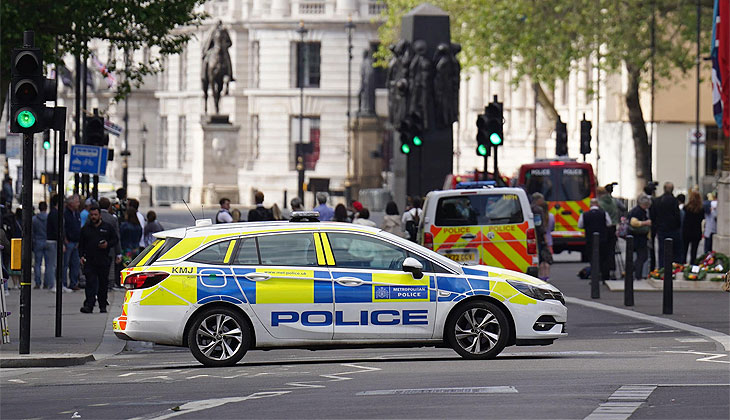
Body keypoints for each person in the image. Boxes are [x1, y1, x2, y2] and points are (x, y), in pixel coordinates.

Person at [79, 205, 118, 313]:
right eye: (92, 215)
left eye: (95, 215)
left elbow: (115, 239)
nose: (93, 217)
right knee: (90, 283)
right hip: (90, 260)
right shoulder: (86, 229)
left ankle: (102, 304)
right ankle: (89, 305)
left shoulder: (107, 227)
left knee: (103, 284)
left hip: (103, 260)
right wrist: (81, 256)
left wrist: (107, 244)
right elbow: (81, 244)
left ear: (100, 215)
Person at [578, 198, 611, 280]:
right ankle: (603, 275)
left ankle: (594, 275)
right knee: (602, 257)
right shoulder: (604, 213)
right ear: (598, 205)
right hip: (602, 239)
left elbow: (580, 225)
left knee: (592, 257)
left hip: (590, 239)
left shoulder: (584, 214)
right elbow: (609, 223)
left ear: (590, 205)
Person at [651, 182, 682, 266]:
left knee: (662, 251)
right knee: (675, 252)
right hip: (673, 229)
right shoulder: (674, 201)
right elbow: (677, 216)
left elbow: (653, 216)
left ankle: (662, 268)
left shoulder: (657, 201)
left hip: (661, 229)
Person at [99, 197, 123, 289]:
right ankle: (110, 284)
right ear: (109, 206)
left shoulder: (95, 216)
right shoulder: (112, 219)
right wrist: (119, 252)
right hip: (110, 247)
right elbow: (116, 236)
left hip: (96, 248)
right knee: (110, 268)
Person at [628, 194, 652, 280]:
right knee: (642, 256)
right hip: (639, 237)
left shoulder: (636, 210)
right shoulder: (638, 211)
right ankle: (635, 272)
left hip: (637, 237)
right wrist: (645, 223)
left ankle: (631, 270)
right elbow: (633, 222)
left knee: (641, 256)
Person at [597, 186, 619, 278]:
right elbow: (623, 208)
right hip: (613, 227)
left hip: (604, 228)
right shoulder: (614, 201)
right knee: (612, 250)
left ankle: (604, 272)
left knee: (603, 251)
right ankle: (612, 269)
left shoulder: (600, 203)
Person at [32, 201, 54, 289]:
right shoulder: (49, 218)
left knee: (37, 263)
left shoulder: (34, 219)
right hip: (48, 241)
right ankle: (47, 283)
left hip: (38, 241)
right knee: (49, 264)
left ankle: (37, 282)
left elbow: (32, 232)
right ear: (46, 208)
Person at [530, 193, 552, 281]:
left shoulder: (529, 208)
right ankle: (543, 276)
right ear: (538, 200)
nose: (543, 202)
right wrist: (544, 237)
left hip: (531, 235)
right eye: (541, 200)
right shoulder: (538, 210)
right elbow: (540, 225)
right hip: (539, 237)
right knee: (542, 257)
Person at [63, 194, 82, 291]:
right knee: (65, 264)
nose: (78, 204)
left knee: (75, 264)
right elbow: (63, 227)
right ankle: (64, 283)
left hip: (76, 242)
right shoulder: (65, 214)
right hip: (69, 242)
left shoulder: (77, 213)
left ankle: (73, 283)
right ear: (71, 203)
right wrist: (65, 239)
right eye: (77, 202)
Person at [682, 191, 704, 264]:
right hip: (696, 231)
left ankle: (683, 264)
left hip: (686, 231)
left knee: (684, 250)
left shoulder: (686, 208)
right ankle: (692, 264)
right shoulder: (701, 209)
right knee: (694, 251)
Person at [46, 194, 60, 292]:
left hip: (52, 240)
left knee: (52, 264)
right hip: (53, 241)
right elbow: (56, 228)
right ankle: (52, 284)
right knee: (52, 264)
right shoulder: (54, 213)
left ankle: (52, 283)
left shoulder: (53, 212)